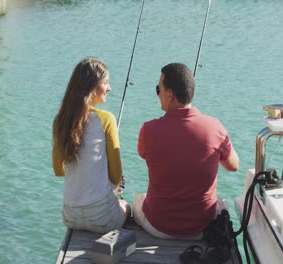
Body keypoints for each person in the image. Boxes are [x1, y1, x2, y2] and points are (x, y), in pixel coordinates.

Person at [133, 62, 239, 239]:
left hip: (158, 227)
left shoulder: (148, 130)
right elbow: (233, 166)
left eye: (158, 90)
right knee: (222, 204)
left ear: (170, 94)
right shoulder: (215, 127)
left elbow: (142, 153)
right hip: (202, 229)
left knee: (138, 199)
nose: (157, 95)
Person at [52, 57, 130, 234]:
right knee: (126, 206)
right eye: (106, 83)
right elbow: (116, 174)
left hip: (70, 217)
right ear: (91, 86)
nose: (109, 88)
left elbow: (58, 169)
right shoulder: (106, 119)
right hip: (102, 220)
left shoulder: (60, 121)